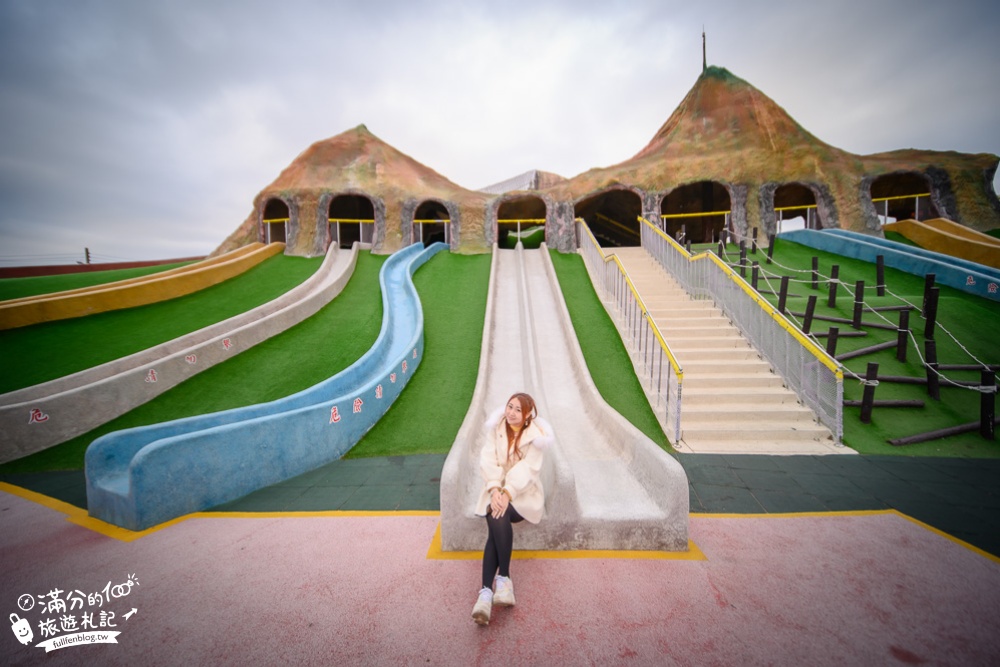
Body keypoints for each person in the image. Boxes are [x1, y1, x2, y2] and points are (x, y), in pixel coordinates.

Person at [471, 392, 553, 626]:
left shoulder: (536, 437)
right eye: (509, 407)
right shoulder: (496, 429)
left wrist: (507, 492)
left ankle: (489, 590)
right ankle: (497, 586)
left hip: (524, 494)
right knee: (495, 513)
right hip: (497, 490)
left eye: (518, 409)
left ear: (527, 416)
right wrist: (496, 489)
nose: (511, 413)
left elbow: (528, 470)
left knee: (498, 512)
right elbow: (488, 460)